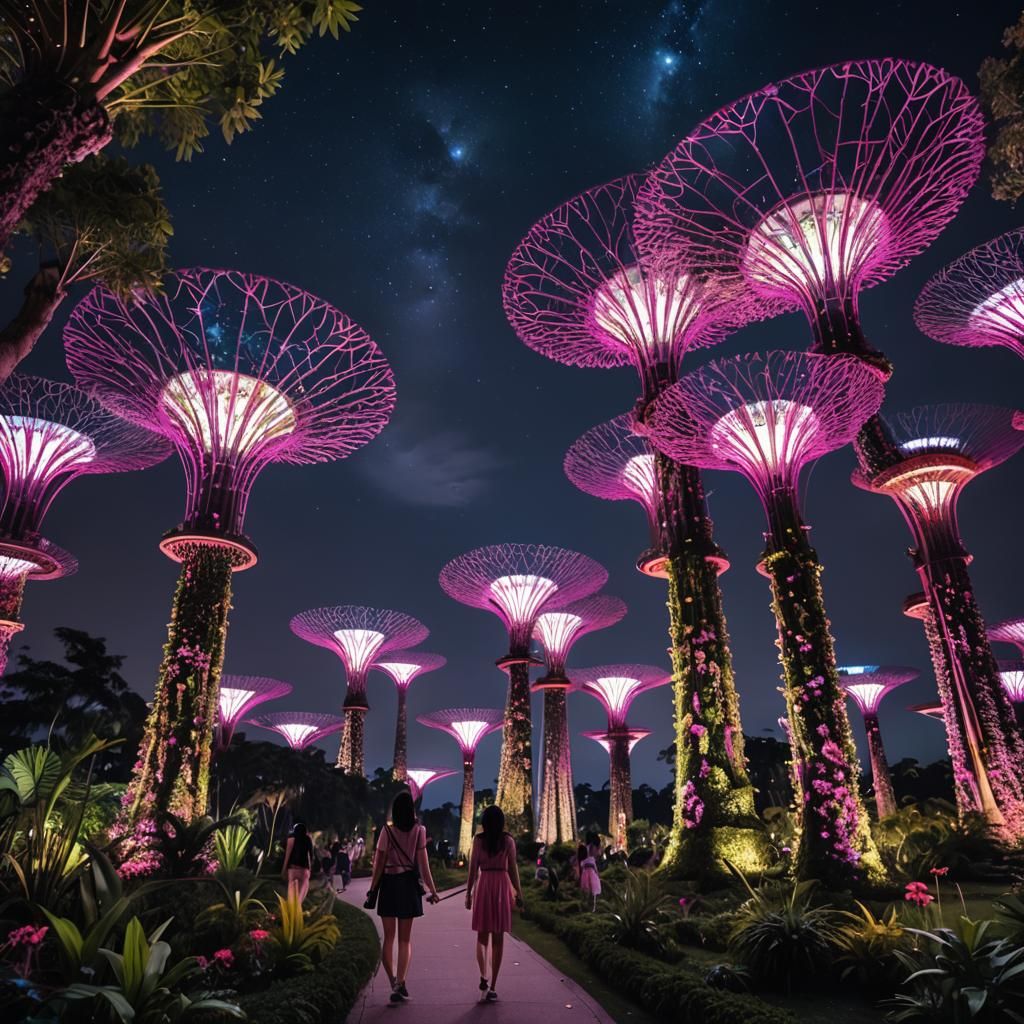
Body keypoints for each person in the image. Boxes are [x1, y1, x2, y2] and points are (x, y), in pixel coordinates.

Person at [366, 791, 440, 1004]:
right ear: (411, 810)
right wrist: (433, 891)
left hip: (389, 885)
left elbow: (378, 866)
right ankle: (401, 982)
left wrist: (372, 890)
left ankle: (393, 982)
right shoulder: (419, 830)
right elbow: (423, 865)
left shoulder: (386, 832)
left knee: (388, 938)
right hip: (408, 886)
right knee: (405, 939)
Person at [465, 805, 523, 1003]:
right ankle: (493, 987)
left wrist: (468, 894)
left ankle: (484, 976)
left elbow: (473, 869)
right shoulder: (508, 841)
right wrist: (519, 893)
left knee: (482, 937)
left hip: (484, 886)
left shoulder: (478, 840)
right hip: (501, 886)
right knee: (498, 940)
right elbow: (513, 869)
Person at [281, 822, 313, 904]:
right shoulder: (308, 839)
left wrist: (284, 869)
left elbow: (287, 856)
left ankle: (291, 913)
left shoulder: (291, 839)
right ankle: (297, 913)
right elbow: (310, 856)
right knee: (300, 898)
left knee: (291, 896)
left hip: (293, 869)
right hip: (304, 870)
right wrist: (309, 870)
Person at [578, 842, 601, 912]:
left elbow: (582, 868)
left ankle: (589, 907)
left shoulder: (584, 861)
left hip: (587, 877)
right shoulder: (590, 860)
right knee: (591, 893)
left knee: (588, 893)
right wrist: (598, 875)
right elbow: (595, 869)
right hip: (591, 877)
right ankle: (590, 908)